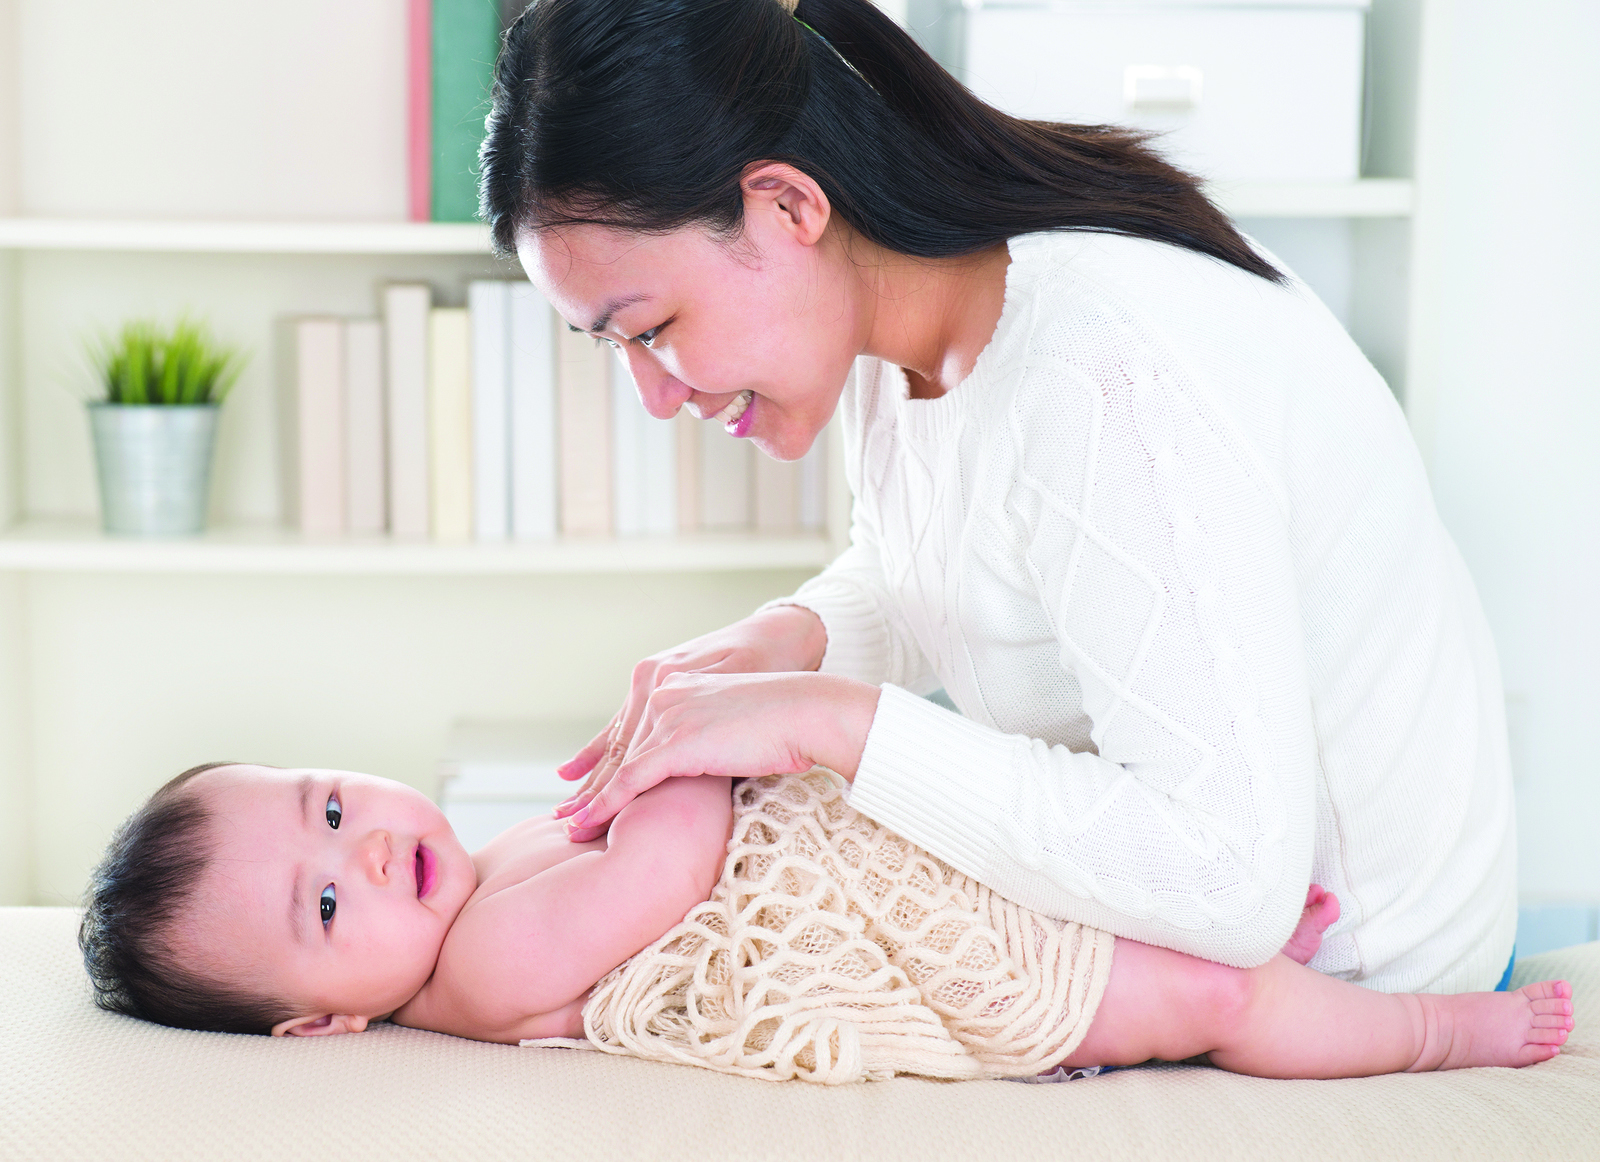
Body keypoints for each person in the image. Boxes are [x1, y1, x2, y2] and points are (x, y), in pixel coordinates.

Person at [479, 0, 1519, 994]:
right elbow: (963, 567)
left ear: (788, 204)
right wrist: (793, 638)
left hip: (1356, 980)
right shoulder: (905, 328)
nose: (654, 397)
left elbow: (1230, 879)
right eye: (613, 347)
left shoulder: (1101, 377)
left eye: (651, 328)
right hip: (1207, 945)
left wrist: (829, 721)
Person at [76, 762, 1571, 1084]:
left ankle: (1254, 931)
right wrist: (690, 758)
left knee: (1077, 851)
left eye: (331, 802)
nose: (366, 843)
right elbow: (665, 872)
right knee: (1206, 1000)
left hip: (891, 878)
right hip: (916, 956)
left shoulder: (470, 880)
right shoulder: (473, 973)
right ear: (323, 1018)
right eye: (324, 900)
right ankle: (1450, 1028)